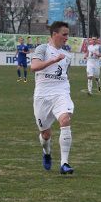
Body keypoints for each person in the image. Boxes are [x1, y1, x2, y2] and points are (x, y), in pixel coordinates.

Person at [30, 21, 75, 174]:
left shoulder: (67, 54)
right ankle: (47, 152)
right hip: (42, 96)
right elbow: (34, 67)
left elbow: (64, 74)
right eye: (64, 34)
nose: (67, 38)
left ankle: (64, 164)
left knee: (65, 119)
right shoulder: (43, 49)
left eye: (68, 34)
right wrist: (53, 60)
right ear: (54, 34)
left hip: (61, 92)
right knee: (46, 134)